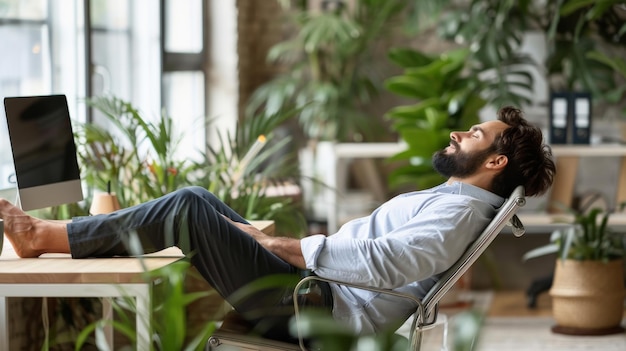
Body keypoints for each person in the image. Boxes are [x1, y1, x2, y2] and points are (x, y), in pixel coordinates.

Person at [1, 106, 555, 342]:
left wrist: (274, 244)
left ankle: (42, 237)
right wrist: (271, 244)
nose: (459, 133)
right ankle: (87, 233)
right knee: (196, 198)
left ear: (495, 163)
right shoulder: (456, 200)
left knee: (189, 211)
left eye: (474, 136)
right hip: (323, 295)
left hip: (318, 311)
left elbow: (384, 263)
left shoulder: (458, 211)